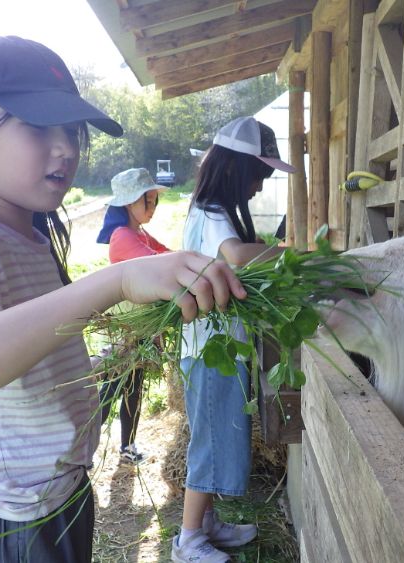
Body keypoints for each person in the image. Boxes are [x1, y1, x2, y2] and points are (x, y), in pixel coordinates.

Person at [0, 35, 246, 563]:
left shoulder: (27, 237)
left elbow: (35, 351)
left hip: (54, 504)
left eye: (71, 130)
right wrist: (111, 284)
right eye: (36, 127)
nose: (67, 148)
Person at [172, 116, 295, 562]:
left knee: (220, 435)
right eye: (259, 173)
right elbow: (239, 257)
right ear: (235, 168)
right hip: (212, 350)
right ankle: (189, 542)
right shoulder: (211, 213)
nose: (261, 184)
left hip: (219, 347)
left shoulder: (212, 211)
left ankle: (206, 523)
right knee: (211, 441)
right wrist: (293, 254)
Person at [93, 167, 172, 465]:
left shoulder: (138, 232)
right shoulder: (122, 236)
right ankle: (82, 449)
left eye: (154, 201)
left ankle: (127, 446)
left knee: (132, 387)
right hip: (127, 328)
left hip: (140, 328)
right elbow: (159, 263)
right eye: (146, 201)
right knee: (112, 389)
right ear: (128, 203)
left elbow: (167, 253)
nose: (152, 208)